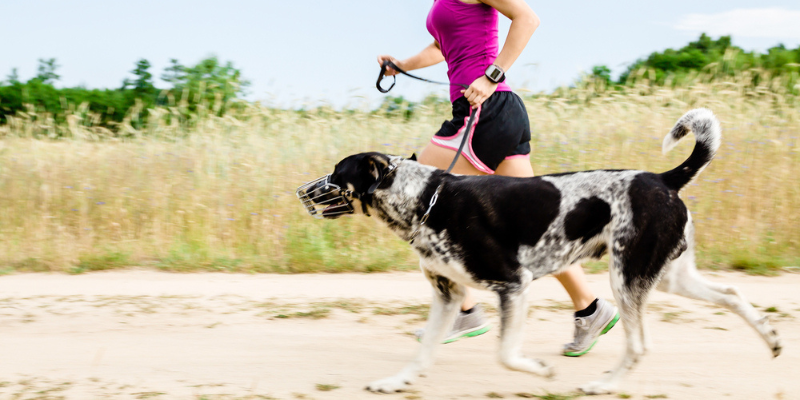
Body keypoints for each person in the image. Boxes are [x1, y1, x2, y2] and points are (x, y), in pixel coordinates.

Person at [378, 0, 618, 357]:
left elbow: (527, 18)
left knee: (416, 199)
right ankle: (589, 307)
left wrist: (492, 76)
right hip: (493, 115)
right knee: (536, 223)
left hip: (484, 113)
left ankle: (463, 310)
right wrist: (401, 65)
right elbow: (444, 47)